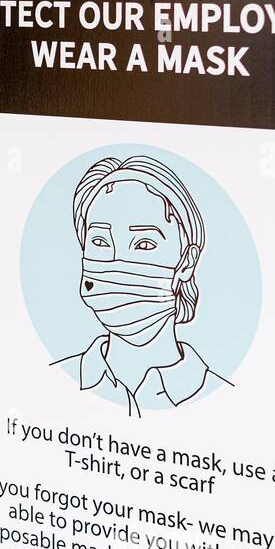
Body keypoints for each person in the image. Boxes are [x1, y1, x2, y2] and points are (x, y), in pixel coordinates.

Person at [51, 155, 229, 417]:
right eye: (100, 241)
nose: (117, 261)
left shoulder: (226, 400)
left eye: (144, 244)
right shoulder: (48, 380)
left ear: (187, 262)